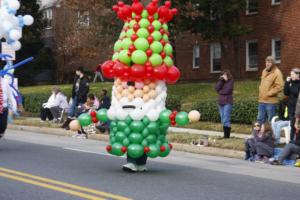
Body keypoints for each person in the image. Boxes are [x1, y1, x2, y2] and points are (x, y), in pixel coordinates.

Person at [257, 56, 284, 125]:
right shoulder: (264, 71)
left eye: (269, 62)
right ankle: (260, 135)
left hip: (271, 102)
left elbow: (280, 86)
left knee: (271, 121)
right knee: (260, 120)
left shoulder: (277, 72)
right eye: (266, 62)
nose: (267, 64)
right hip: (261, 100)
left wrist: (269, 93)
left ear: (273, 63)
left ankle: (271, 135)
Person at [215, 69, 234, 138]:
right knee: (223, 119)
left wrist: (220, 92)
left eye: (225, 75)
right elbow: (216, 88)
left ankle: (226, 136)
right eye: (223, 75)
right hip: (220, 102)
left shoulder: (230, 81)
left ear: (228, 75)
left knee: (226, 118)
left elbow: (228, 90)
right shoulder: (221, 81)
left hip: (227, 102)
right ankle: (225, 134)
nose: (224, 76)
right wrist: (221, 80)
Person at [284, 68, 300, 142]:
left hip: (298, 108)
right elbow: (286, 93)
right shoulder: (290, 82)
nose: (291, 76)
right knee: (292, 124)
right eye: (291, 74)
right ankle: (292, 141)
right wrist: (287, 82)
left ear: (297, 75)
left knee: (297, 125)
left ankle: (296, 141)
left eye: (292, 74)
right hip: (291, 107)